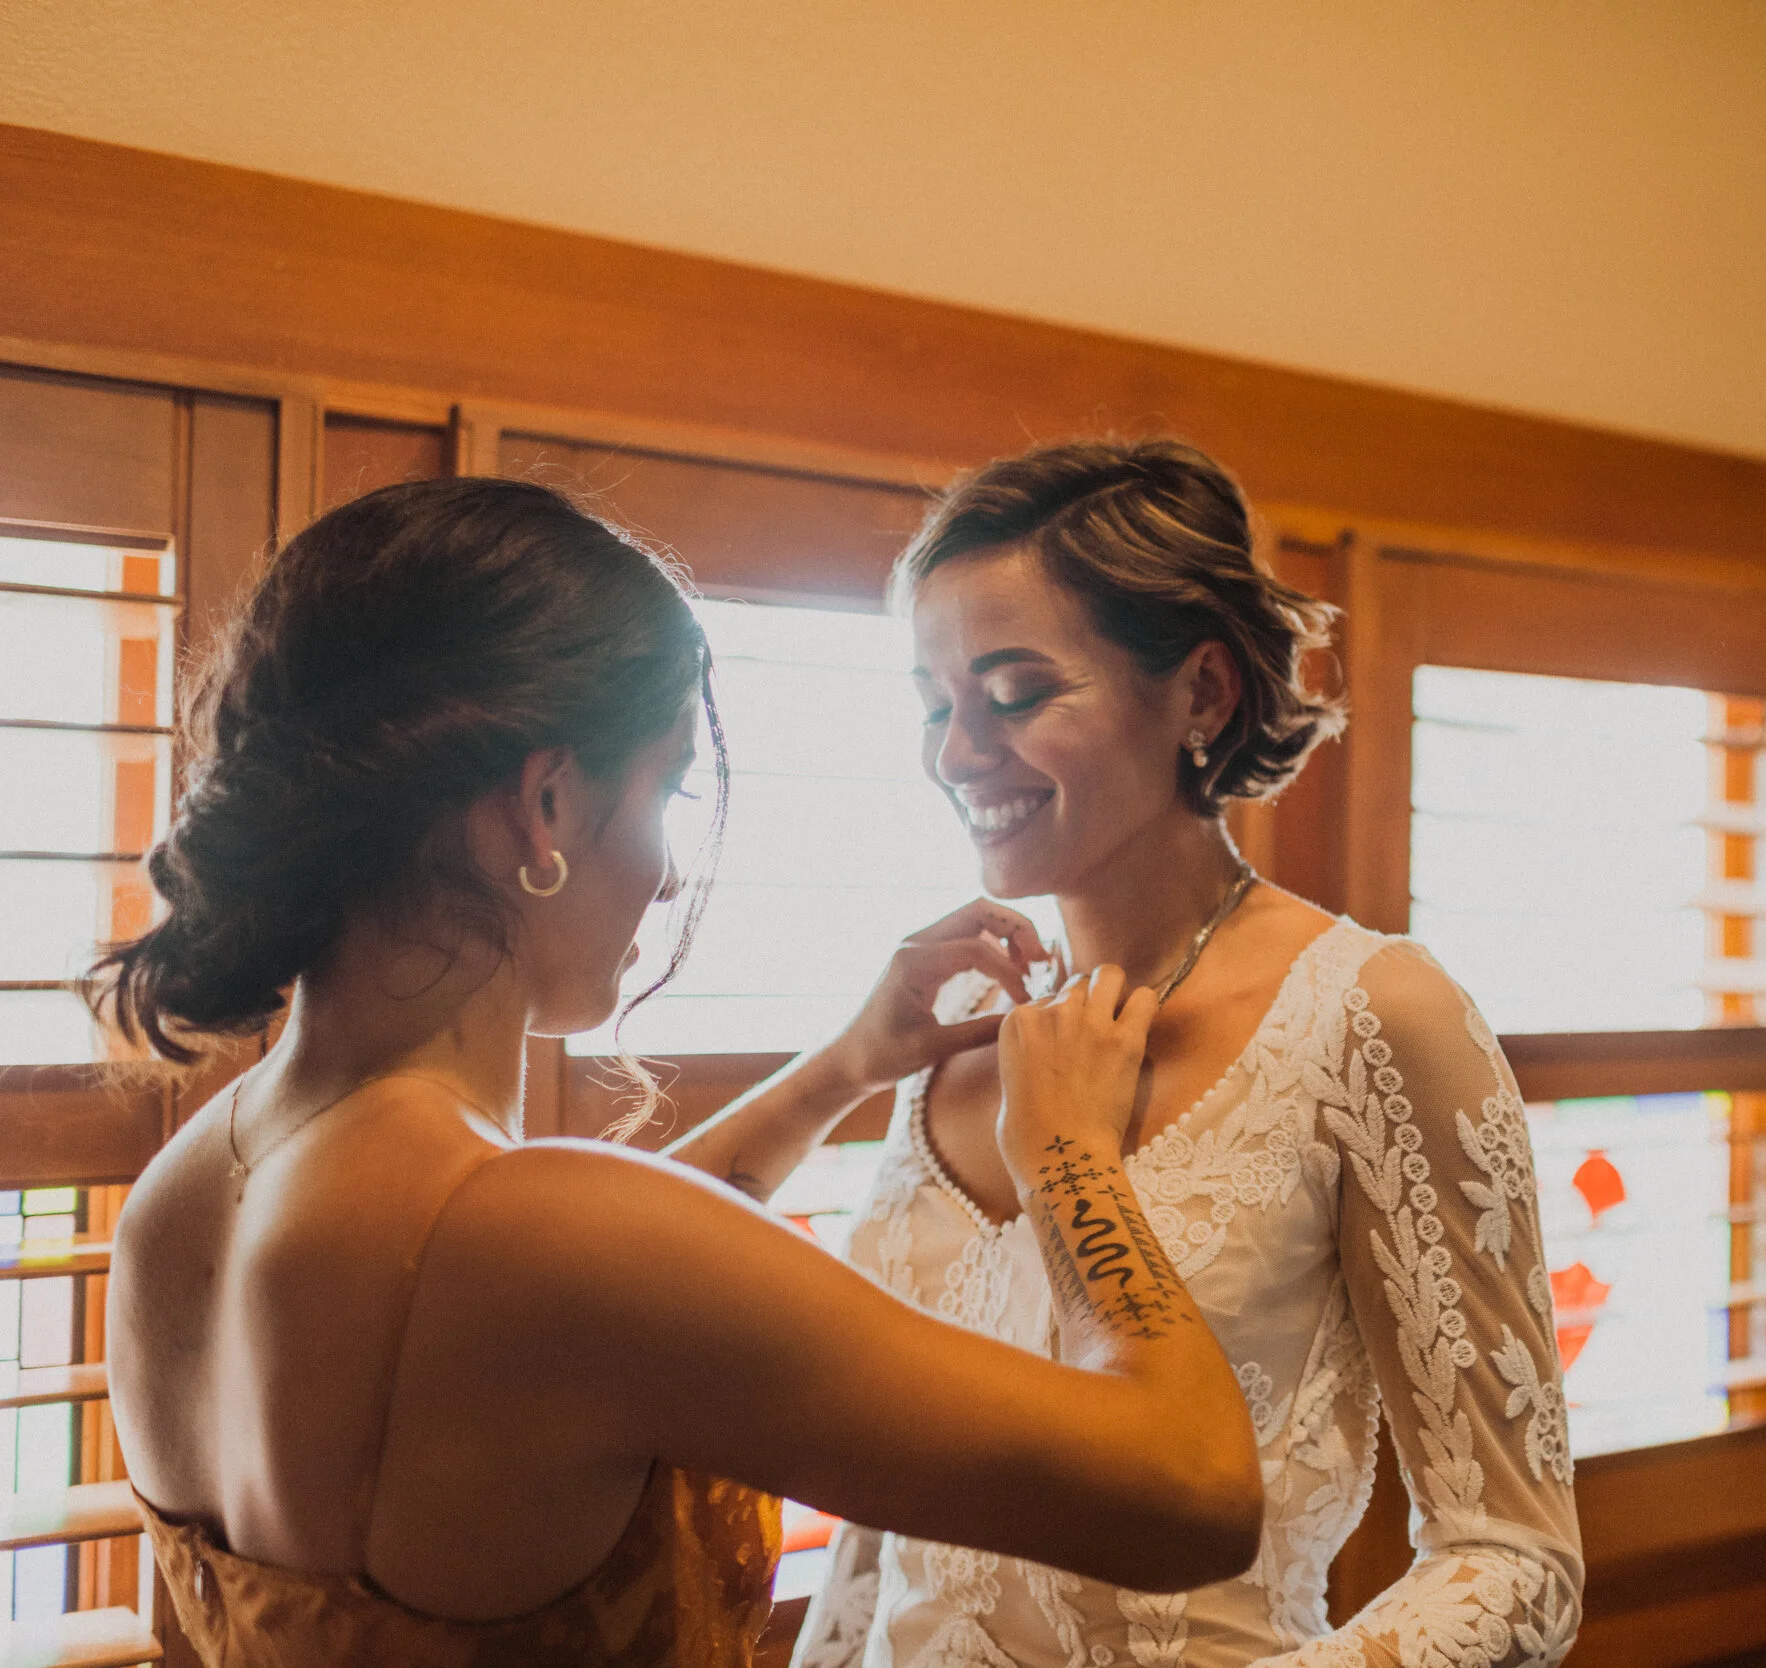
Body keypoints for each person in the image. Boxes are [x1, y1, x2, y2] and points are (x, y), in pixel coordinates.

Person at [90, 478, 1262, 1668]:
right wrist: (1067, 1155)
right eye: (666, 789)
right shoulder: (546, 1244)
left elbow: (588, 1294)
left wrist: (843, 1068)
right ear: (545, 804)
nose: (668, 872)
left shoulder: (180, 1205)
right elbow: (1195, 1492)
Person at [778, 441, 1583, 1668]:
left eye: (1014, 694)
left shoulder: (1369, 1014)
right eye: (936, 707)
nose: (956, 753)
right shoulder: (965, 1020)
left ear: (1201, 692)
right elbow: (890, 1535)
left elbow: (1514, 1560)